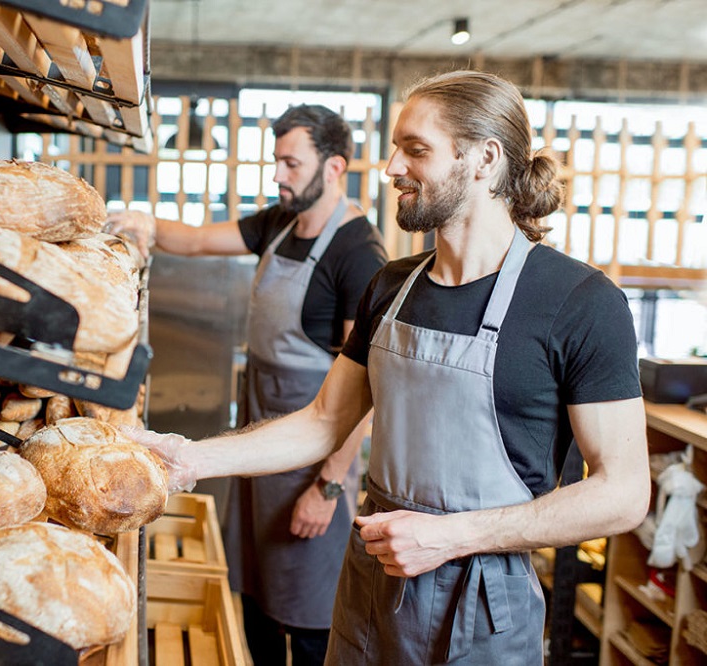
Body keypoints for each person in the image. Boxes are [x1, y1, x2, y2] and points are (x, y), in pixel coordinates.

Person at [121, 70, 650, 665]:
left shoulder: (579, 302)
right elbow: (325, 422)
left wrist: (451, 537)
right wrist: (188, 458)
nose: (392, 166)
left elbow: (624, 493)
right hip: (371, 587)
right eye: (397, 147)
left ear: (484, 158)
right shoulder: (392, 287)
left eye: (415, 149)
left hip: (481, 607)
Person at [106, 104, 388, 665]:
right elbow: (198, 242)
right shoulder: (279, 222)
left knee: (307, 614)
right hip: (261, 442)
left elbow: (366, 394)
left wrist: (328, 488)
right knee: (256, 597)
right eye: (276, 161)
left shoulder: (359, 253)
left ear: (334, 167)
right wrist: (146, 226)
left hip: (311, 462)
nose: (278, 175)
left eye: (291, 162)